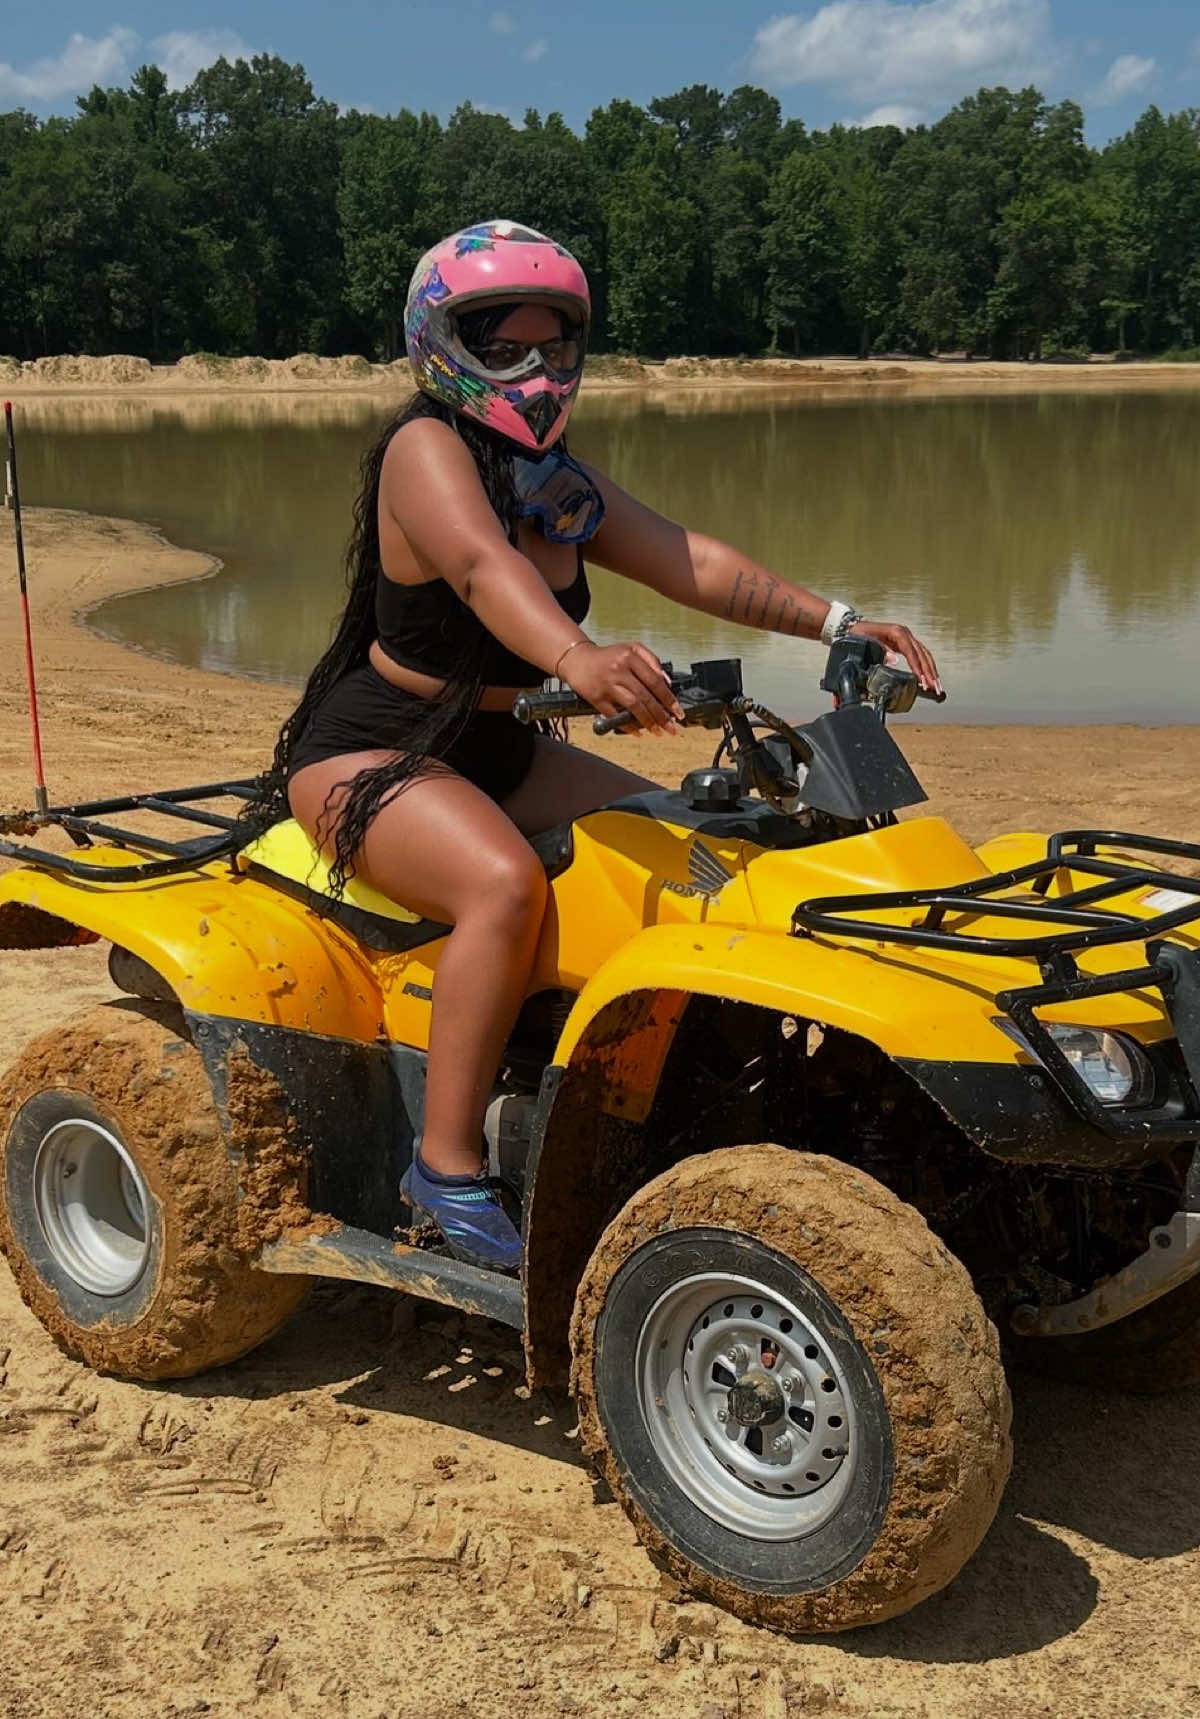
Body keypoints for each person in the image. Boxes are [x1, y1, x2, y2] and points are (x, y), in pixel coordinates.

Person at [260, 219, 939, 1275]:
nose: (535, 372)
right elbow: (487, 574)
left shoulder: (554, 477)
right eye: (506, 347)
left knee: (669, 845)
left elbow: (687, 559)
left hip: (503, 747)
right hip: (377, 753)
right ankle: (444, 1168)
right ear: (446, 346)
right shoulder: (426, 451)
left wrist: (840, 621)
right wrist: (579, 657)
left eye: (554, 346)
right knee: (502, 887)